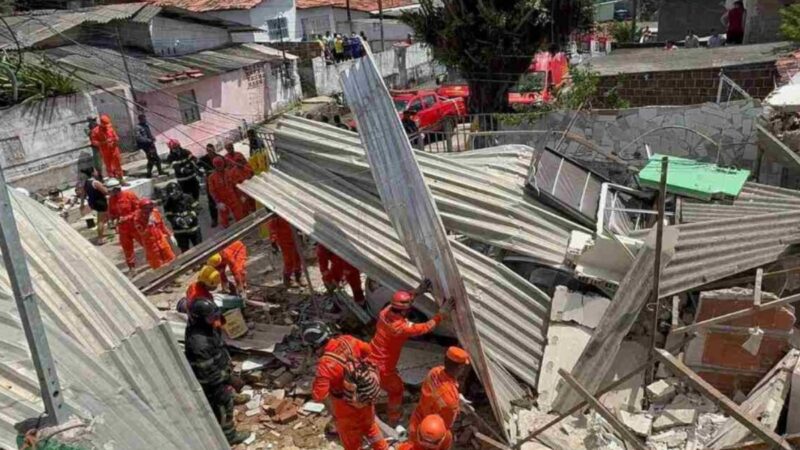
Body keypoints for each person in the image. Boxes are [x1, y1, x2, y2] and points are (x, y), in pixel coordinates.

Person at [184, 267, 250, 446]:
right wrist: (229, 379)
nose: (213, 319)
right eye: (210, 317)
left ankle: (230, 396)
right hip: (212, 384)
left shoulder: (204, 326)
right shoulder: (199, 343)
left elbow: (217, 345)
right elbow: (209, 375)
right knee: (222, 407)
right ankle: (229, 436)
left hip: (219, 368)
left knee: (226, 395)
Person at [368, 280, 448, 425]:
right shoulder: (401, 327)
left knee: (373, 386)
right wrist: (441, 314)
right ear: (404, 311)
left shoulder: (385, 312)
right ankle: (394, 417)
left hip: (370, 359)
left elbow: (401, 302)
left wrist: (417, 291)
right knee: (396, 390)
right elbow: (426, 327)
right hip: (384, 369)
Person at [306, 322, 388, 450]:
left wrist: (334, 414)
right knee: (371, 427)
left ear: (314, 346)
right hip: (365, 398)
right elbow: (369, 351)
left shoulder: (325, 365)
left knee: (352, 441)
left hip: (345, 409)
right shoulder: (348, 340)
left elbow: (319, 395)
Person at [407, 347, 470, 441]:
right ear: (460, 368)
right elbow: (446, 425)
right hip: (431, 431)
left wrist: (455, 395)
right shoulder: (451, 400)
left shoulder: (434, 371)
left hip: (417, 420)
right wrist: (457, 406)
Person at [106, 178, 142, 273]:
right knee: (127, 249)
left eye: (110, 191)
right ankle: (132, 268)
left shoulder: (129, 195)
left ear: (116, 189)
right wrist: (111, 220)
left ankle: (157, 260)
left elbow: (139, 210)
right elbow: (111, 212)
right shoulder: (111, 200)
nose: (109, 193)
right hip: (123, 228)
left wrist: (128, 217)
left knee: (146, 243)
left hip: (135, 225)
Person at [134, 198, 175, 270]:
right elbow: (142, 233)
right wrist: (148, 225)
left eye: (150, 208)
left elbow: (162, 226)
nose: (149, 210)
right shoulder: (138, 219)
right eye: (147, 209)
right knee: (158, 264)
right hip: (150, 244)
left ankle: (175, 273)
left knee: (170, 258)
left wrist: (170, 235)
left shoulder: (155, 213)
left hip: (161, 240)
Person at [163, 182, 202, 252]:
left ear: (180, 190)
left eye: (176, 192)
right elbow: (169, 216)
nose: (175, 194)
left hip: (193, 229)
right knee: (185, 252)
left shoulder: (188, 198)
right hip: (180, 232)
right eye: (172, 193)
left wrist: (191, 216)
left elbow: (198, 208)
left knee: (200, 248)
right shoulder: (167, 204)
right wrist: (177, 220)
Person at [208, 157, 246, 228]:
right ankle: (227, 231)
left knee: (239, 215)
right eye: (218, 166)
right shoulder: (211, 177)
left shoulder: (229, 173)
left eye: (221, 165)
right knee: (224, 219)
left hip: (232, 197)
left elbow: (235, 185)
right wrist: (218, 202)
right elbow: (212, 191)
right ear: (215, 166)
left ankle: (243, 229)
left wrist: (241, 195)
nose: (220, 167)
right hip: (222, 200)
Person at [267, 215, 302, 287]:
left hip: (295, 238)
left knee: (298, 258)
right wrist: (273, 241)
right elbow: (272, 229)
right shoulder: (275, 216)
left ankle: (298, 277)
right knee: (289, 261)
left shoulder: (290, 213)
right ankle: (287, 279)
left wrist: (300, 233)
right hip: (284, 241)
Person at [78, 168, 109, 245]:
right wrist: (105, 187)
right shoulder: (95, 183)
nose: (97, 172)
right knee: (100, 221)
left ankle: (104, 230)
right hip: (100, 203)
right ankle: (100, 239)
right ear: (92, 173)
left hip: (93, 203)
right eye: (95, 171)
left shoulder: (85, 183)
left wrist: (82, 204)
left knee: (103, 218)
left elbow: (82, 195)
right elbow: (105, 192)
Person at [90, 114, 124, 180]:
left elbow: (116, 136)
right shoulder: (95, 131)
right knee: (109, 166)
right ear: (101, 123)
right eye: (105, 125)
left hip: (114, 149)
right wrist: (104, 142)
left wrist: (115, 139)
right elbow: (94, 142)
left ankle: (121, 179)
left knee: (118, 164)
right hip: (105, 151)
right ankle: (113, 179)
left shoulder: (110, 128)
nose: (106, 126)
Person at [135, 114, 165, 178]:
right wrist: (148, 140)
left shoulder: (146, 125)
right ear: (140, 120)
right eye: (143, 119)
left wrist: (152, 138)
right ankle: (152, 173)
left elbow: (149, 134)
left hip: (151, 144)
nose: (145, 120)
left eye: (145, 118)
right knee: (153, 159)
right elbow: (139, 138)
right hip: (146, 146)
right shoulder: (138, 127)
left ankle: (156, 172)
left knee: (154, 158)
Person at [197, 144, 220, 228]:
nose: (211, 152)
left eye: (212, 150)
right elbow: (196, 165)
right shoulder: (203, 159)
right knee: (211, 200)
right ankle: (214, 219)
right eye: (209, 150)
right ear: (207, 151)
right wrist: (200, 173)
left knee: (223, 198)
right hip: (210, 181)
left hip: (219, 180)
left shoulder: (219, 157)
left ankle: (225, 215)